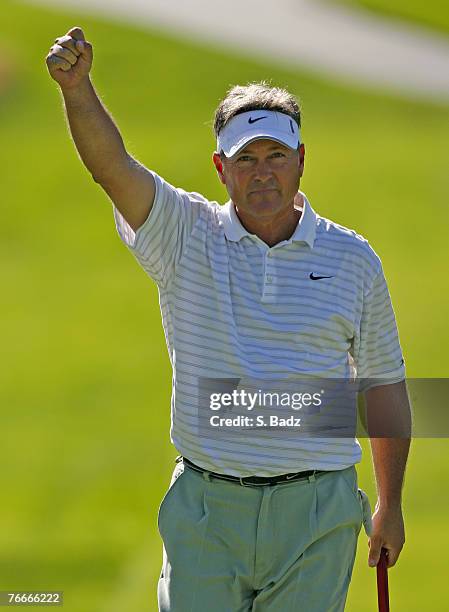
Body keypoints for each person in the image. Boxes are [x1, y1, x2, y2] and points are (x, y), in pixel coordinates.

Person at [46, 27, 411, 611]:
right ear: (221, 168)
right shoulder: (184, 234)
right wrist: (77, 88)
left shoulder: (353, 260)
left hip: (317, 514)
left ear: (299, 163)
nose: (262, 173)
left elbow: (384, 385)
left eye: (275, 157)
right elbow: (111, 167)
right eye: (246, 159)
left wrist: (389, 504)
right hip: (209, 514)